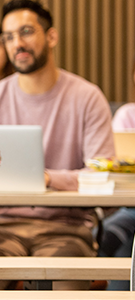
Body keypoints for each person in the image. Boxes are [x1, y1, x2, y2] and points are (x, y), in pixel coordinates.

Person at [0, 0, 115, 290]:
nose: (17, 43)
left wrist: (47, 178)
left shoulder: (88, 97)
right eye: (8, 37)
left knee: (68, 291)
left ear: (51, 36)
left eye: (26, 32)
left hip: (66, 228)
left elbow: (101, 176)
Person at [97, 57, 135, 291]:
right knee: (103, 237)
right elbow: (110, 168)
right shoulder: (127, 115)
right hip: (129, 206)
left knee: (125, 249)